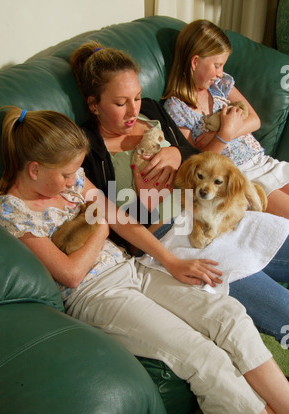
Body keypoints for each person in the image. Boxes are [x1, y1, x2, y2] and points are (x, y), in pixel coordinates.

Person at [0, 106, 289, 414]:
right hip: (95, 295)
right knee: (202, 356)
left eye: (75, 173)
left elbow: (119, 219)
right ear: (35, 170)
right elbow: (72, 273)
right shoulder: (12, 212)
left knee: (228, 316)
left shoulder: (75, 181)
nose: (72, 181)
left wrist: (171, 261)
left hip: (132, 268)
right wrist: (101, 227)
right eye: (66, 174)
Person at [69, 41, 289, 344]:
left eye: (135, 97)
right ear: (94, 105)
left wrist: (174, 152)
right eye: (120, 103)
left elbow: (193, 155)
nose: (133, 109)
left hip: (214, 211)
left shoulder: (151, 109)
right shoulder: (88, 150)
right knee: (284, 310)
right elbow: (115, 227)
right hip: (176, 238)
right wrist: (146, 202)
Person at [163, 19, 289, 220]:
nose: (220, 72)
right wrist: (222, 136)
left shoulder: (220, 85)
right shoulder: (176, 108)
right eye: (217, 65)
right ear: (195, 62)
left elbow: (254, 120)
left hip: (263, 161)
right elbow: (196, 164)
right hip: (243, 177)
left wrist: (226, 132)